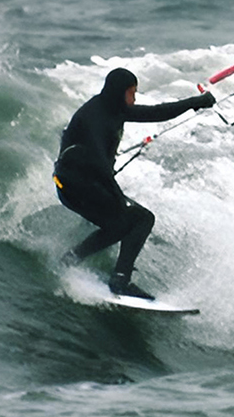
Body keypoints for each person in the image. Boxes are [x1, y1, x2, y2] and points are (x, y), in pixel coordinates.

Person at [53, 67, 215, 299]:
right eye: (132, 93)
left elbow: (156, 113)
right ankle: (120, 280)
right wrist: (119, 200)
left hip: (85, 185)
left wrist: (195, 102)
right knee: (141, 218)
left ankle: (71, 259)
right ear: (119, 91)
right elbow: (98, 165)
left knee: (118, 225)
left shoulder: (114, 107)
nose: (134, 98)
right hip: (75, 187)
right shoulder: (94, 117)